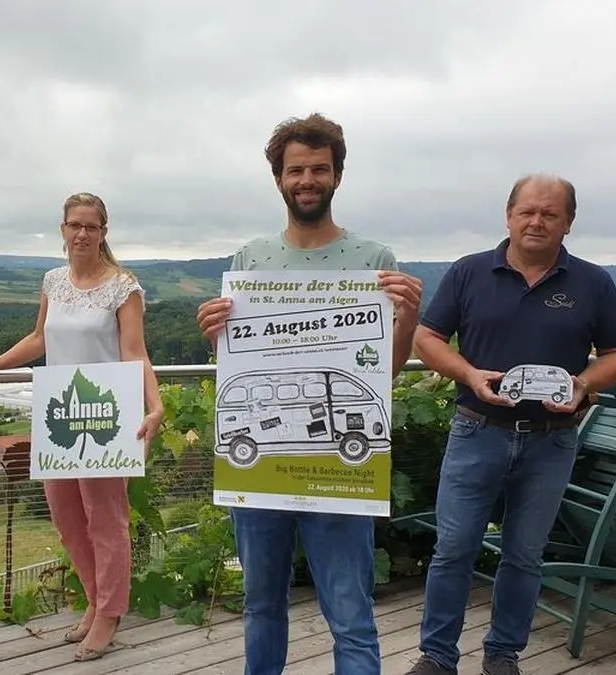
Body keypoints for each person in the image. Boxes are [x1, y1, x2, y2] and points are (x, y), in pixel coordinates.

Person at [196, 113, 424, 674]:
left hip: (340, 476)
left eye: (319, 169)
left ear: (337, 176)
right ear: (278, 178)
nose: (307, 180)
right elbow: (237, 364)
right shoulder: (248, 261)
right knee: (261, 606)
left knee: (350, 613)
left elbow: (384, 374)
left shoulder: (375, 261)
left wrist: (409, 316)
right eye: (295, 169)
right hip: (261, 476)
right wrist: (214, 332)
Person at [406, 175, 616, 675]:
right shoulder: (469, 272)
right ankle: (438, 657)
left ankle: (503, 654)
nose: (537, 221)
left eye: (550, 214)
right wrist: (468, 373)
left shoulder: (593, 282)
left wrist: (582, 384)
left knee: (525, 556)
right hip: (476, 430)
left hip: (552, 442)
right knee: (454, 549)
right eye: (527, 211)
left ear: (568, 223)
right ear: (508, 215)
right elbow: (427, 338)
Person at [0, 192, 164, 662]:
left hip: (108, 415)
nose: (82, 234)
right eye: (74, 225)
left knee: (106, 519)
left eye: (91, 226)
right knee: (67, 518)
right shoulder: (53, 281)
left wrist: (155, 405)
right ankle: (93, 600)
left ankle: (109, 613)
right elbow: (37, 338)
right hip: (61, 415)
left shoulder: (123, 287)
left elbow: (135, 352)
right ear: (63, 230)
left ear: (104, 231)